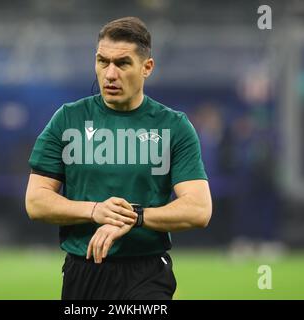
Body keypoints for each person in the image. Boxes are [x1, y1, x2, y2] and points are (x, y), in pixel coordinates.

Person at [25, 17, 212, 300]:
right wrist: (94, 210)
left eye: (122, 63)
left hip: (146, 272)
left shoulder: (173, 126)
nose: (110, 74)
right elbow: (35, 201)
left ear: (147, 67)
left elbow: (199, 209)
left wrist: (136, 217)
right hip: (83, 271)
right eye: (103, 61)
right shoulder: (68, 119)